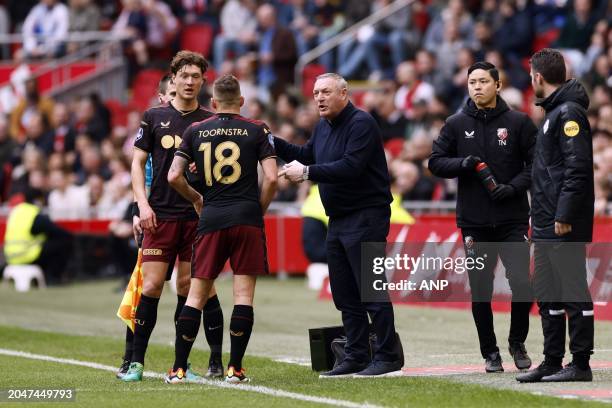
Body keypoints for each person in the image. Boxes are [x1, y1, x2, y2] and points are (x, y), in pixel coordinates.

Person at [277, 73, 403, 377]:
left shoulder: (361, 123)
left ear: (344, 93)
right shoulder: (323, 126)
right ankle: (357, 355)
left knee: (371, 290)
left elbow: (351, 166)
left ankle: (387, 357)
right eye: (316, 92)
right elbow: (305, 154)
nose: (318, 97)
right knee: (345, 293)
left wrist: (306, 173)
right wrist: (267, 140)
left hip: (367, 215)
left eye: (326, 92)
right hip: (339, 217)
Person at [166, 74, 277, 383]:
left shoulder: (195, 130)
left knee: (196, 295)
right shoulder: (257, 129)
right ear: (241, 101)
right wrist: (258, 209)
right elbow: (271, 178)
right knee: (243, 296)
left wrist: (197, 198)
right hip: (246, 217)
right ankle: (235, 369)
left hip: (211, 217)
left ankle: (178, 369)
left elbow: (174, 176)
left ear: (212, 103)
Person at [121, 51, 224, 382]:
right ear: (174, 78)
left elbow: (218, 173)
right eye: (185, 76)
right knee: (150, 285)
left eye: (196, 76)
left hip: (196, 218)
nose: (190, 81)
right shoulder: (153, 117)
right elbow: (137, 163)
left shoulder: (210, 121)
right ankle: (135, 363)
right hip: (159, 215)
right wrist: (142, 204)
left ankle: (182, 365)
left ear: (202, 81)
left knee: (186, 287)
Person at [428, 61, 536, 373]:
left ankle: (517, 343)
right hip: (474, 223)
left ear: (497, 85)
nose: (477, 87)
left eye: (483, 82)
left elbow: (535, 166)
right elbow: (435, 162)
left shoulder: (518, 122)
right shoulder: (455, 123)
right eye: (472, 82)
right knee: (481, 289)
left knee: (522, 284)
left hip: (513, 218)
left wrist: (513, 188)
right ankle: (490, 352)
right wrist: (464, 163)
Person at [516, 48, 595, 383]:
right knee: (547, 292)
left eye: (530, 75)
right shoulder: (553, 113)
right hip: (547, 222)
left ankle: (580, 363)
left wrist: (563, 214)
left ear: (538, 77)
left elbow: (577, 171)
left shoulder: (569, 114)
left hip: (563, 223)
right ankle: (551, 360)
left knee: (573, 290)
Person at [4, 188, 73, 285]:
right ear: (38, 200)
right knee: (63, 242)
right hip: (26, 256)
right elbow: (58, 232)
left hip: (10, 257)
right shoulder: (33, 214)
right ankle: (54, 278)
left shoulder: (16, 211)